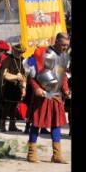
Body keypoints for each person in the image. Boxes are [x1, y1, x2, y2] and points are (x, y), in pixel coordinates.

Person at [26, 32, 71, 164]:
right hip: (43, 94)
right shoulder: (41, 53)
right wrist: (36, 88)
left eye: (67, 45)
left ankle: (56, 155)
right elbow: (31, 75)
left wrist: (66, 89)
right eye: (63, 45)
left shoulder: (65, 56)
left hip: (56, 95)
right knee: (36, 123)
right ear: (56, 41)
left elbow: (62, 76)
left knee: (56, 124)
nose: (65, 48)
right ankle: (31, 153)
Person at [0, 43, 27, 132]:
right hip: (8, 86)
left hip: (17, 87)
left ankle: (12, 125)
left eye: (21, 53)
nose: (20, 54)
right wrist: (15, 77)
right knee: (6, 106)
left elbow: (24, 75)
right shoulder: (8, 60)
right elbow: (4, 74)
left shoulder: (23, 60)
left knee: (15, 107)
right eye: (18, 52)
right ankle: (2, 125)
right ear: (14, 50)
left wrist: (23, 87)